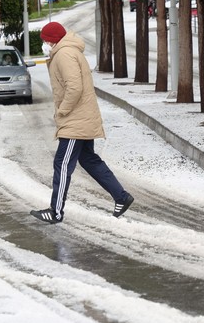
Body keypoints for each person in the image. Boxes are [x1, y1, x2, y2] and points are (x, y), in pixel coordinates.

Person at [30, 22, 135, 224]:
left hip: (75, 121)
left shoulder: (63, 54)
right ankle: (121, 197)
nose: (43, 44)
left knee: (62, 164)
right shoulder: (67, 51)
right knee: (89, 160)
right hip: (82, 118)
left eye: (44, 40)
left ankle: (56, 212)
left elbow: (74, 87)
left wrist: (63, 111)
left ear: (52, 40)